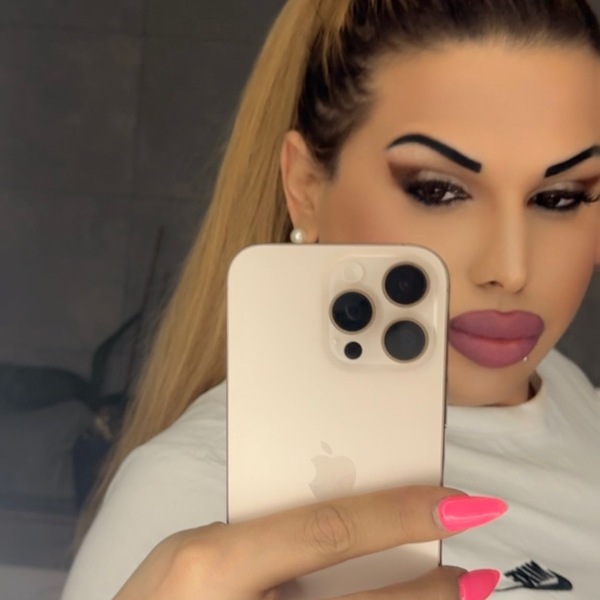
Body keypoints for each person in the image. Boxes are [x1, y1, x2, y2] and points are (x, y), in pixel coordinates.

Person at [61, 0, 600, 598]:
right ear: (306, 189)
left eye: (561, 197)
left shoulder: (566, 389)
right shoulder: (192, 503)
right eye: (438, 191)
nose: (510, 270)